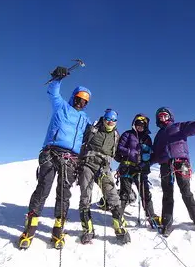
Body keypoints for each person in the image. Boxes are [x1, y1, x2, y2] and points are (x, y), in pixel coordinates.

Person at [19, 66, 91, 249]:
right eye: (79, 99)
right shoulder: (61, 106)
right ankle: (30, 228)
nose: (81, 103)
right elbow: (53, 91)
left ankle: (58, 229)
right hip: (51, 153)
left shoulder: (85, 119)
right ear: (74, 97)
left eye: (85, 102)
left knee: (64, 193)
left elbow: (95, 136)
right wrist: (57, 78)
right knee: (43, 188)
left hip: (70, 159)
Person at [151, 107, 195, 236]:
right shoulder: (158, 136)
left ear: (170, 116)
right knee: (167, 195)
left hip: (181, 163)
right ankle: (166, 224)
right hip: (165, 165)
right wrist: (146, 162)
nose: (162, 118)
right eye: (160, 116)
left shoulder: (178, 126)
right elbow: (156, 155)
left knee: (186, 192)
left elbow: (194, 127)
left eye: (165, 115)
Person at [77, 109, 131, 244]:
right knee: (85, 196)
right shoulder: (93, 129)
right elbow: (79, 142)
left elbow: (117, 154)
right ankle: (87, 229)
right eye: (108, 119)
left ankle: (120, 228)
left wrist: (129, 160)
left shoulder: (116, 136)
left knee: (112, 196)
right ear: (103, 118)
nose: (110, 122)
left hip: (104, 167)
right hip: (87, 164)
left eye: (113, 120)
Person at [115, 114, 160, 227]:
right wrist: (132, 152)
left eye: (142, 125)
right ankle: (119, 216)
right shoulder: (127, 134)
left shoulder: (147, 139)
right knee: (125, 193)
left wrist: (146, 161)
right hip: (127, 167)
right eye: (138, 124)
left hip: (141, 169)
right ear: (134, 124)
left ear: (146, 126)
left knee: (145, 193)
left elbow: (150, 153)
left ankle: (151, 216)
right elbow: (120, 148)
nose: (140, 127)